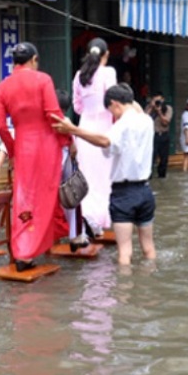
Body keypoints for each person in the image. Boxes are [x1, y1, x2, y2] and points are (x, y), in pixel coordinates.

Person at [50, 83, 156, 267]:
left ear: (115, 104)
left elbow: (105, 142)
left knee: (125, 252)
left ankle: (125, 294)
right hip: (146, 192)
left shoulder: (121, 126)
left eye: (111, 111)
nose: (113, 116)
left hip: (124, 194)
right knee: (149, 248)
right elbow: (135, 107)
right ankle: (149, 291)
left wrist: (74, 130)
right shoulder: (146, 121)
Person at [0, 42, 71, 272]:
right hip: (47, 145)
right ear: (34, 59)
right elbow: (54, 115)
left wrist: (13, 149)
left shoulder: (3, 87)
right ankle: (37, 246)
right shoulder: (43, 79)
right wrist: (69, 140)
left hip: (23, 147)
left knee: (24, 198)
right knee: (46, 196)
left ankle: (22, 252)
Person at [72, 37, 116, 237]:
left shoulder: (79, 76)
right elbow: (113, 104)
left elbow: (77, 107)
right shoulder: (109, 73)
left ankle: (87, 218)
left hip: (84, 131)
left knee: (87, 177)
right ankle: (101, 220)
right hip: (104, 131)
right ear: (106, 54)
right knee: (104, 178)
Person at [56, 89, 88, 252]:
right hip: (62, 164)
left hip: (51, 166)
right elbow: (73, 148)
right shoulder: (66, 120)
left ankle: (69, 235)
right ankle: (75, 236)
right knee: (71, 199)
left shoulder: (47, 120)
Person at [146, 92, 174, 178]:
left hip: (164, 135)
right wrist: (151, 107)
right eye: (155, 100)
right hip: (152, 136)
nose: (157, 102)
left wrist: (159, 112)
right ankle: (148, 176)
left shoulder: (167, 108)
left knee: (164, 159)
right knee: (151, 157)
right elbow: (143, 119)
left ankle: (162, 176)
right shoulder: (149, 108)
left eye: (159, 100)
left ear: (163, 100)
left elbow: (166, 122)